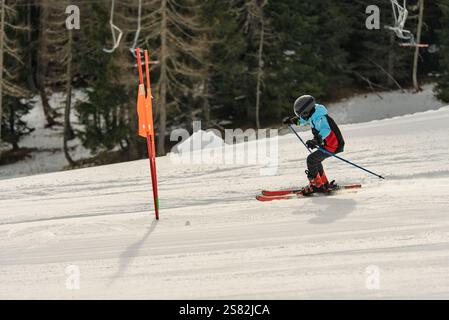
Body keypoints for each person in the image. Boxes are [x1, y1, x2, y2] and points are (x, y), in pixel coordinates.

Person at [283, 95, 345, 195]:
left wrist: (316, 140)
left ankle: (316, 185)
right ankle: (323, 183)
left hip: (332, 145)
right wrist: (292, 121)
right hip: (327, 145)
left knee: (311, 160)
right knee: (316, 160)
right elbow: (302, 121)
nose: (300, 117)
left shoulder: (320, 118)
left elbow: (326, 130)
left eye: (301, 114)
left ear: (306, 111)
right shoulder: (313, 114)